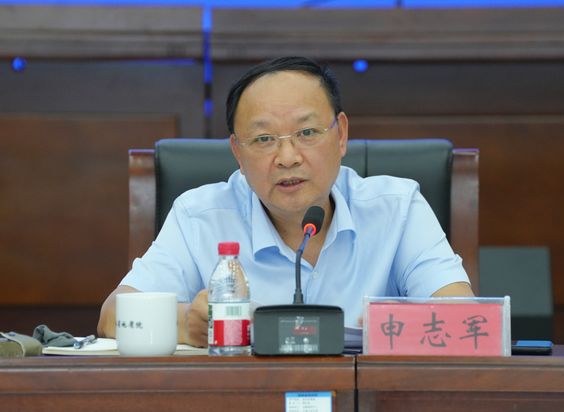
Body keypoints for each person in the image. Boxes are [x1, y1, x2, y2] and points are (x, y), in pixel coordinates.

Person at [97, 56, 474, 347]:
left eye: (307, 132)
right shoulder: (199, 216)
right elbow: (113, 317)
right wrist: (185, 324)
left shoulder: (398, 208)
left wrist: (392, 326)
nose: (288, 157)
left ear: (341, 135)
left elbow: (465, 319)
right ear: (237, 153)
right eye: (263, 139)